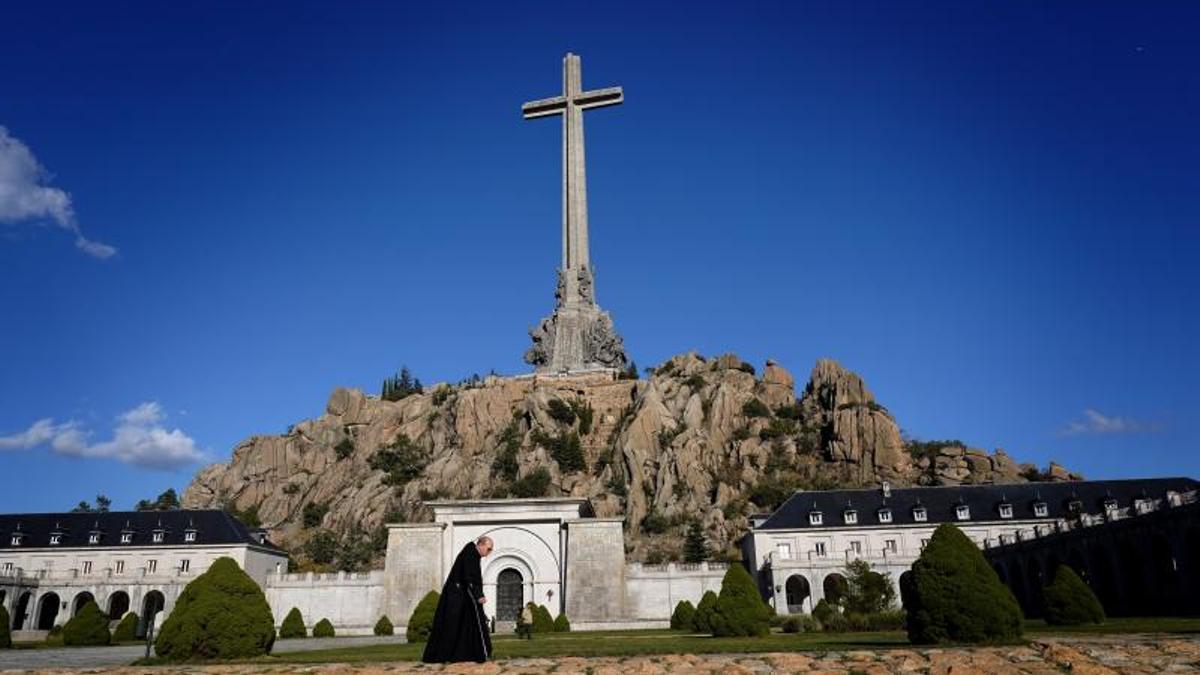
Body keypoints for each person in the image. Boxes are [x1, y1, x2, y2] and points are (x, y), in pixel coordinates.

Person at [421, 536, 494, 663]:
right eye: (489, 549)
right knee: (452, 626)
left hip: (462, 595)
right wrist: (478, 595)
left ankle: (463, 654)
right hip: (456, 596)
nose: (489, 553)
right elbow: (469, 576)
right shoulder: (470, 554)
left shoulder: (472, 554)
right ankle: (444, 655)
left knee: (465, 626)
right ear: (481, 545)